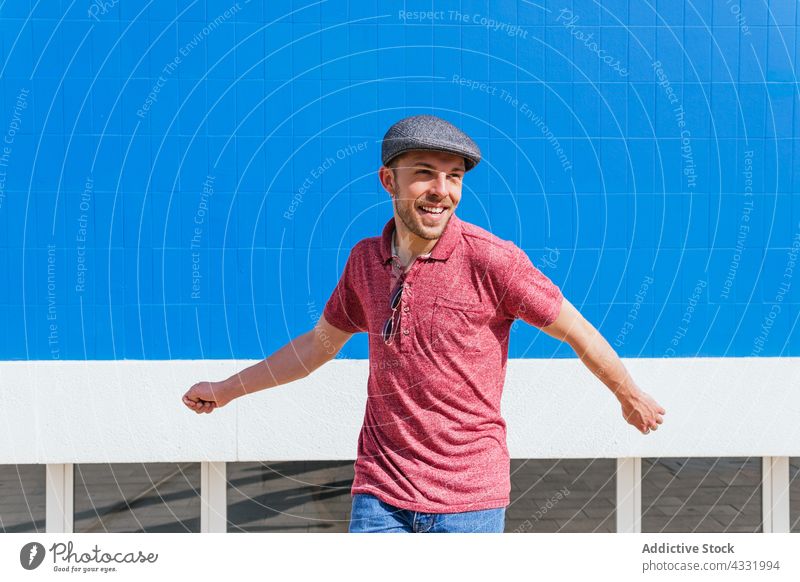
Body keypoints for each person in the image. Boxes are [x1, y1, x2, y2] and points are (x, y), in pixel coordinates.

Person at [182, 114, 666, 533]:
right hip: (379, 493)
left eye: (454, 177)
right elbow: (316, 347)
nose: (442, 191)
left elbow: (577, 330)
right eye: (425, 174)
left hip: (468, 502)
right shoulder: (364, 263)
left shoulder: (492, 261)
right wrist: (226, 390)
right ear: (388, 181)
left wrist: (629, 393)